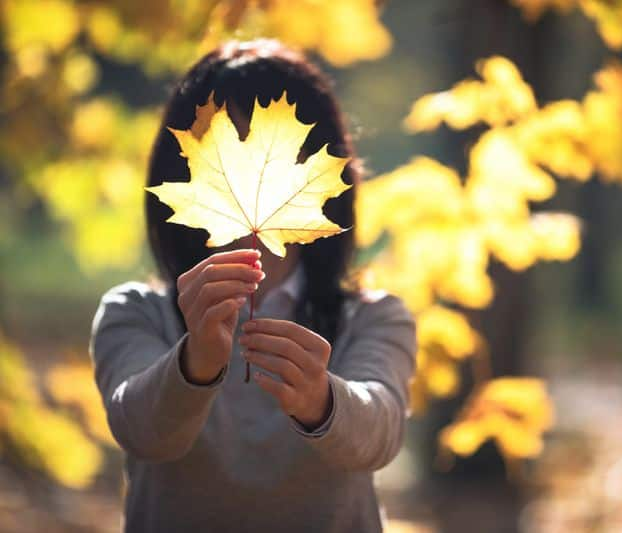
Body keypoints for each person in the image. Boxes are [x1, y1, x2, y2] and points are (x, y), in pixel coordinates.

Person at [89, 39, 417, 533]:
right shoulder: (134, 313)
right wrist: (195, 361)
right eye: (223, 150)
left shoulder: (372, 318)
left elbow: (380, 431)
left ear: (326, 172)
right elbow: (141, 430)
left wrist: (321, 400)